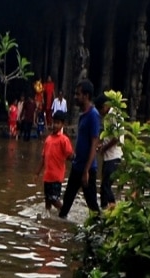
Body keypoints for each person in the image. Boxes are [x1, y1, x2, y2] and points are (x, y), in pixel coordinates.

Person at [58, 79, 101, 218]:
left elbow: (94, 143)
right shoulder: (83, 115)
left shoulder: (93, 115)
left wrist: (86, 170)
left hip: (87, 170)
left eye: (78, 94)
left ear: (86, 96)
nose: (75, 97)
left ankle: (100, 228)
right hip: (77, 166)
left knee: (92, 204)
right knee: (67, 199)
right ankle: (58, 228)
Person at [34, 110, 73, 215]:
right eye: (54, 122)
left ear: (62, 124)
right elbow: (43, 157)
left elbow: (70, 155)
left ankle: (65, 213)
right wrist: (37, 173)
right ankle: (48, 219)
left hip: (56, 177)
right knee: (47, 200)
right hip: (47, 176)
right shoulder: (48, 139)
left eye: (58, 123)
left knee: (54, 199)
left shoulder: (64, 140)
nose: (55, 125)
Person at [94, 93, 123, 209]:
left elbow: (116, 138)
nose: (100, 113)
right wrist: (102, 145)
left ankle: (113, 207)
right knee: (104, 186)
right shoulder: (111, 116)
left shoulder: (113, 116)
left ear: (105, 106)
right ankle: (104, 209)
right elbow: (110, 137)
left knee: (106, 186)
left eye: (100, 110)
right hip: (109, 156)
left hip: (113, 156)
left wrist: (104, 148)